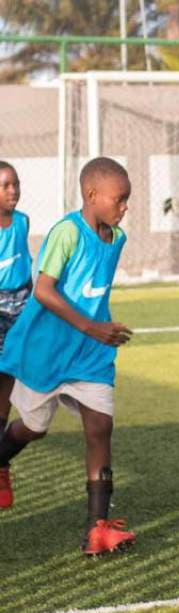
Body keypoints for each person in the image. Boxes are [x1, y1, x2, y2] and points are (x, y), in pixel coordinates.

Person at [0, 157, 136, 555]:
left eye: (127, 200)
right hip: (49, 350)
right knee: (34, 427)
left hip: (91, 354)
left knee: (99, 428)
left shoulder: (118, 237)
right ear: (92, 195)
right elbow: (43, 290)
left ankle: (98, 528)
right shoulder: (66, 233)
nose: (125, 207)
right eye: (120, 199)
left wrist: (97, 331)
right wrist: (91, 326)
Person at [0, 161, 32, 509]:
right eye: (6, 185)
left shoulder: (22, 222)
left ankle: (2, 465)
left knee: (9, 380)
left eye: (16, 184)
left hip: (22, 305)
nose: (13, 190)